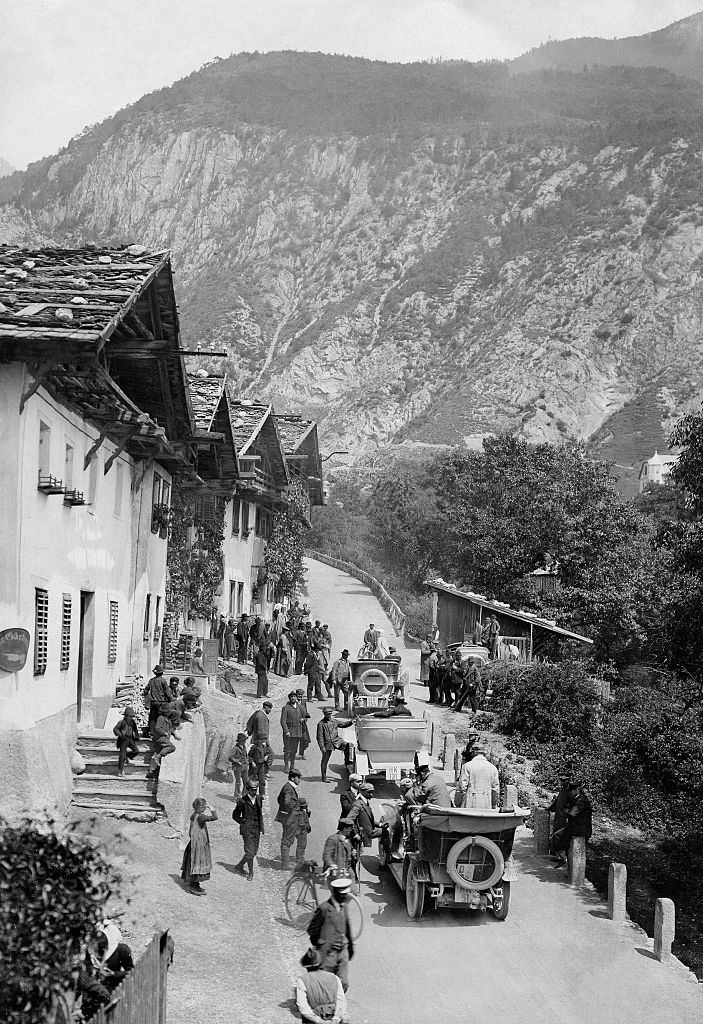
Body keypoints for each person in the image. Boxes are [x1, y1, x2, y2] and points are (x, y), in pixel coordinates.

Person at [307, 875, 356, 992]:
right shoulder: (324, 908)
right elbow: (312, 930)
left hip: (342, 951)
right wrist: (321, 944)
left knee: (343, 983)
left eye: (346, 893)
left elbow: (347, 926)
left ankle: (336, 1004)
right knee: (325, 983)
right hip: (328, 954)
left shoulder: (344, 907)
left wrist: (350, 947)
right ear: (334, 893)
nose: (345, 897)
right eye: (342, 894)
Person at [295, 947, 350, 1024]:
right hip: (334, 1018)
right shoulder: (334, 977)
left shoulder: (302, 980)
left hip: (314, 1020)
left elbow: (303, 1007)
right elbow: (341, 1000)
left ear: (305, 966)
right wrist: (335, 1019)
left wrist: (319, 1021)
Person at [180, 797, 218, 895]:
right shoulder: (201, 817)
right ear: (200, 807)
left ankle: (196, 885)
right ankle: (193, 885)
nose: (205, 808)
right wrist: (212, 809)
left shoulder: (194, 815)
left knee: (192, 862)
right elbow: (215, 818)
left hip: (194, 843)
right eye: (204, 807)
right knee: (198, 862)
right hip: (199, 844)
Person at [232, 779, 264, 880]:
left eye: (255, 790)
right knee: (249, 852)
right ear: (247, 790)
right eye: (252, 790)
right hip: (247, 830)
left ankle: (239, 866)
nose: (254, 792)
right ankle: (251, 872)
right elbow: (235, 815)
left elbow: (259, 814)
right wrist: (243, 822)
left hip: (256, 829)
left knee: (254, 852)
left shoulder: (259, 799)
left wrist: (261, 827)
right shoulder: (242, 801)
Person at [276, 768, 302, 870]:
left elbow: (279, 799)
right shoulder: (288, 788)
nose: (299, 780)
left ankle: (285, 864)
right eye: (298, 778)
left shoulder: (287, 787)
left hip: (287, 817)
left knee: (287, 839)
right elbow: (287, 802)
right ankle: (285, 865)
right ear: (292, 778)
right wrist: (295, 808)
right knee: (287, 841)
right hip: (290, 819)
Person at [461, 744, 500, 809]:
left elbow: (462, 787)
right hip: (486, 804)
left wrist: (458, 803)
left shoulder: (467, 766)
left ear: (474, 752)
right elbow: (495, 790)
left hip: (470, 804)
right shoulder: (493, 768)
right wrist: (493, 805)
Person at [347, 781, 383, 849]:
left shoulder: (364, 802)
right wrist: (354, 834)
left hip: (367, 831)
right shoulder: (358, 805)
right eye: (369, 792)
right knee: (355, 856)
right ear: (361, 791)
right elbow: (349, 820)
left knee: (385, 830)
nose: (371, 794)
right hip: (363, 833)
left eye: (372, 792)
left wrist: (380, 824)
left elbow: (368, 819)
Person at [147, 705, 180, 777]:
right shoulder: (161, 718)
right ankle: (158, 757)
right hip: (160, 738)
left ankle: (151, 772)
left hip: (163, 738)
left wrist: (174, 734)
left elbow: (170, 729)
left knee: (156, 753)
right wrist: (165, 733)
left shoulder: (168, 719)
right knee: (171, 747)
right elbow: (157, 728)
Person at [548, 769, 573, 861]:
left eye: (564, 780)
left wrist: (569, 816)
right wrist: (550, 808)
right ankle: (555, 854)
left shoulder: (571, 791)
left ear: (569, 780)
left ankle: (562, 857)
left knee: (561, 836)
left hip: (565, 818)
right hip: (559, 816)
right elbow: (557, 802)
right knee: (556, 834)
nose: (562, 782)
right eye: (561, 780)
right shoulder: (562, 789)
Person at [317, 706, 345, 782]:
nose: (328, 715)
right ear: (324, 714)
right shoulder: (321, 724)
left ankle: (348, 763)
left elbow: (344, 725)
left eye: (329, 714)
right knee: (325, 761)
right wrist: (322, 747)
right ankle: (324, 777)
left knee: (347, 746)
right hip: (328, 744)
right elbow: (319, 737)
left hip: (337, 741)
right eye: (326, 714)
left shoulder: (334, 721)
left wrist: (351, 722)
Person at [113, 706, 140, 777]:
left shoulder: (133, 722)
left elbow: (135, 730)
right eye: (129, 716)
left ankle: (128, 756)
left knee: (136, 751)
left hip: (130, 739)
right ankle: (120, 771)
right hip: (123, 740)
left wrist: (136, 737)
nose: (131, 718)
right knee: (122, 756)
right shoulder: (122, 722)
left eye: (131, 716)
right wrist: (120, 735)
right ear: (126, 716)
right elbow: (115, 729)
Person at [145, 664, 171, 738]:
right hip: (161, 703)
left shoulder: (151, 681)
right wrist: (170, 699)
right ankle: (159, 732)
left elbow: (146, 690)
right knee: (160, 717)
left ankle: (151, 732)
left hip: (153, 702)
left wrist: (146, 696)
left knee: (152, 717)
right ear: (162, 673)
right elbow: (167, 692)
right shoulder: (163, 681)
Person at [281, 691, 303, 772]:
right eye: (291, 697)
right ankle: (286, 766)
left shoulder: (300, 707)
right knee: (287, 750)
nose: (293, 698)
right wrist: (286, 731)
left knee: (294, 750)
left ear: (297, 698)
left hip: (297, 732)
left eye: (294, 696)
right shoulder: (286, 708)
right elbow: (283, 721)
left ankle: (292, 765)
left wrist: (303, 719)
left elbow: (306, 715)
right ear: (289, 698)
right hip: (289, 733)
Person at [229, 732, 248, 799]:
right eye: (243, 741)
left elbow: (246, 755)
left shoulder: (244, 747)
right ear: (240, 741)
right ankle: (237, 796)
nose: (244, 742)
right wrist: (237, 761)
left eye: (244, 741)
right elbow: (230, 757)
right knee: (238, 783)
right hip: (238, 767)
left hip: (245, 767)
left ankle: (244, 795)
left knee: (246, 782)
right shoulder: (235, 748)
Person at [295, 796, 312, 866]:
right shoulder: (300, 813)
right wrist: (306, 828)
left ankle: (300, 858)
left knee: (301, 845)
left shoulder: (300, 812)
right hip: (301, 831)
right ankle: (299, 859)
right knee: (302, 845)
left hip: (300, 830)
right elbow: (302, 823)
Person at [296, 687, 312, 760]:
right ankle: (291, 754)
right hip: (295, 725)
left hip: (302, 724)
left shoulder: (303, 702)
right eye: (299, 695)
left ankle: (301, 753)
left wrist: (305, 718)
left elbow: (306, 712)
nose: (300, 696)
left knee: (304, 739)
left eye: (301, 695)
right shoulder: (292, 702)